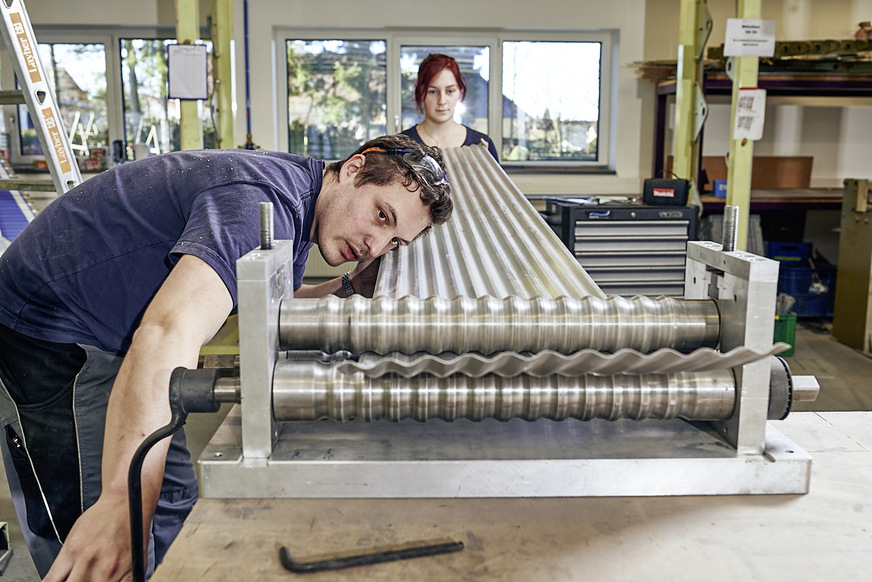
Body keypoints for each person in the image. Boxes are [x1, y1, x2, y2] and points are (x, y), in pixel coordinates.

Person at [0, 133, 452, 581]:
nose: (376, 245)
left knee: (169, 499)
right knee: (102, 534)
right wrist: (121, 498)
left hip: (125, 338)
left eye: (395, 242)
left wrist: (348, 288)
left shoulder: (304, 199)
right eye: (381, 214)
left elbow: (275, 295)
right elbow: (165, 332)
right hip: (52, 333)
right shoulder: (260, 201)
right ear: (354, 169)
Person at [401, 53, 499, 160]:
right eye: (433, 91)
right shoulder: (400, 147)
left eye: (450, 91)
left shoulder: (481, 145)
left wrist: (485, 166)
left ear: (460, 92)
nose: (442, 101)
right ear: (420, 93)